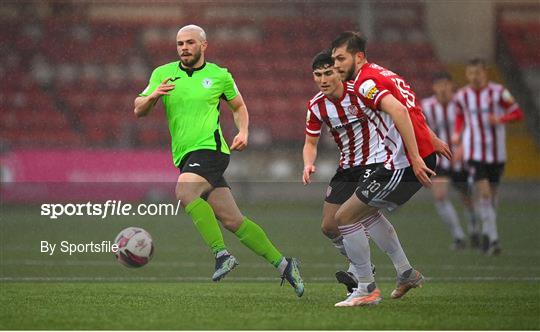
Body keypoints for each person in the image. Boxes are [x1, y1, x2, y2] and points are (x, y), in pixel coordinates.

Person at [133, 24, 304, 296]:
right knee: (233, 220)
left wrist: (244, 130)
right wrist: (153, 96)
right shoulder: (163, 74)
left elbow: (239, 106)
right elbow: (138, 109)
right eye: (180, 44)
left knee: (185, 191)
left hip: (211, 150)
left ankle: (221, 254)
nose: (184, 48)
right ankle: (285, 265)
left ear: (204, 45)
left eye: (190, 42)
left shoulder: (220, 75)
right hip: (185, 154)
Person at [330, 31, 451, 307]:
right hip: (406, 157)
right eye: (334, 59)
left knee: (345, 217)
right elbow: (411, 106)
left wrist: (416, 157)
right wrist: (431, 139)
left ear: (358, 57)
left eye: (341, 59)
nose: (336, 65)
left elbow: (399, 111)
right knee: (367, 214)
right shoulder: (384, 74)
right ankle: (406, 273)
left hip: (405, 162)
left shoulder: (365, 83)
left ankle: (366, 289)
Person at [302, 50, 386, 294]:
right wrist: (308, 163)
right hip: (348, 167)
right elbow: (310, 143)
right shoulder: (316, 106)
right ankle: (364, 267)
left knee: (353, 217)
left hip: (375, 163)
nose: (323, 79)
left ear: (339, 71)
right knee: (329, 226)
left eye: (328, 73)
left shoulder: (359, 93)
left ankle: (363, 275)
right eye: (318, 75)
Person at [452, 58, 524, 255]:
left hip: (496, 153)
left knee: (492, 196)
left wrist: (500, 119)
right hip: (474, 152)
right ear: (467, 74)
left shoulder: (499, 92)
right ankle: (493, 239)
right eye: (471, 73)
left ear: (485, 73)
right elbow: (460, 115)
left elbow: (517, 113)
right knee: (484, 193)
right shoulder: (462, 95)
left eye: (478, 73)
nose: (475, 77)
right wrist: (458, 133)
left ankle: (487, 231)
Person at [421, 72, 478, 250]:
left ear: (452, 86)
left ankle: (474, 231)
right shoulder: (427, 106)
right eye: (439, 85)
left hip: (462, 159)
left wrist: (463, 148)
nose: (443, 89)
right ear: (434, 87)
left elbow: (473, 128)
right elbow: (422, 130)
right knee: (440, 196)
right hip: (441, 160)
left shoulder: (462, 104)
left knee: (467, 198)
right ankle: (458, 236)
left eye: (446, 84)